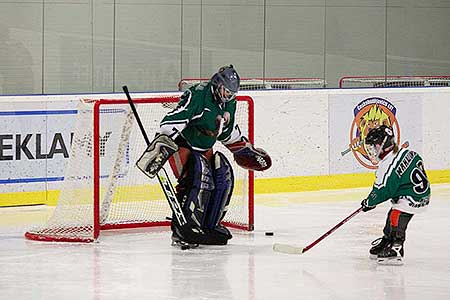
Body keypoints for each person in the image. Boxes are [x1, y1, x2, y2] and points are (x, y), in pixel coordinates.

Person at [136, 65, 271, 247]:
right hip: (183, 144)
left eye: (231, 93)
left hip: (204, 147)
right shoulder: (198, 95)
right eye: (225, 91)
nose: (228, 96)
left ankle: (208, 226)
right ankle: (182, 230)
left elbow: (225, 132)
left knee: (223, 176)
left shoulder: (229, 103)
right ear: (217, 84)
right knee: (196, 179)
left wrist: (243, 148)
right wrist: (164, 141)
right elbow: (173, 120)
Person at [360, 125, 430, 265]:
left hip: (412, 197)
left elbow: (383, 190)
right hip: (420, 193)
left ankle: (397, 248)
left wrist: (369, 202)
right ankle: (388, 240)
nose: (371, 150)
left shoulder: (388, 165)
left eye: (374, 146)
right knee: (391, 215)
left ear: (384, 145)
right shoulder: (405, 152)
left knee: (396, 215)